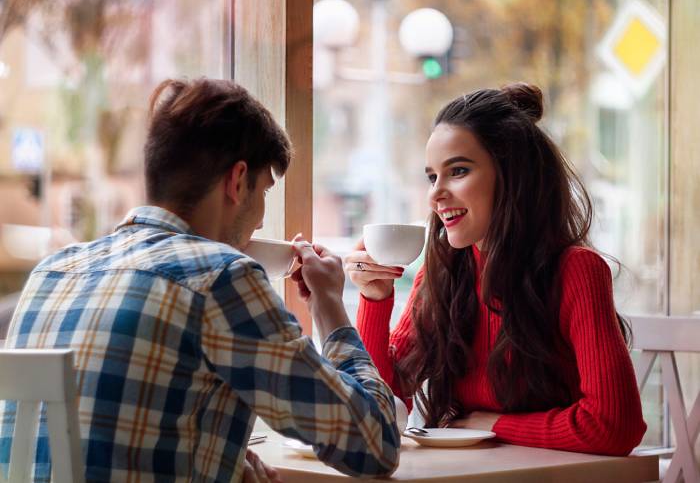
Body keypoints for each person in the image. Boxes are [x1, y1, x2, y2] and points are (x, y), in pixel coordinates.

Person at [0, 78, 400, 482]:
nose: (261, 217)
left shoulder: (51, 274)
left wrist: (217, 457)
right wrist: (329, 305)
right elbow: (375, 445)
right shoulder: (219, 276)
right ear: (238, 180)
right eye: (264, 191)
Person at [345, 83, 646, 456]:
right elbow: (376, 406)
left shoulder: (576, 271)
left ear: (511, 175)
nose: (435, 194)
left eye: (457, 171)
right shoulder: (442, 274)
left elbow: (614, 426)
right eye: (431, 177)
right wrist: (375, 299)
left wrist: (492, 424)